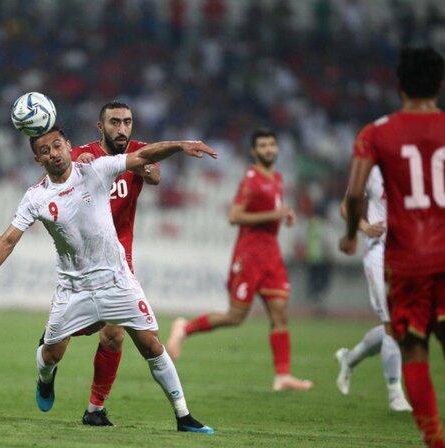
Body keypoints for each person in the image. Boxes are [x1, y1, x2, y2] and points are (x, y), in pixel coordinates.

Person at [0, 126, 216, 434]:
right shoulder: (35, 197)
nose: (53, 154)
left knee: (151, 344)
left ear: (68, 146)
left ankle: (183, 416)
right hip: (73, 289)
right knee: (52, 354)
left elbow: (143, 156)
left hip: (117, 281)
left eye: (56, 146)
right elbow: (8, 239)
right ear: (37, 159)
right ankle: (45, 379)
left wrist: (180, 145)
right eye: (44, 151)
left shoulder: (96, 170)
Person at [339, 47, 445, 447]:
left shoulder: (376, 133)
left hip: (407, 259)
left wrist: (352, 233)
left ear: (399, 86)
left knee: (413, 348)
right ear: (440, 85)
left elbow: (353, 196)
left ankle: (434, 439)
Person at [167, 129, 313, 392]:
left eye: (272, 144)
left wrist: (284, 215)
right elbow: (234, 216)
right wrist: (274, 215)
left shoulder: (277, 178)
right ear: (254, 152)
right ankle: (185, 328)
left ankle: (283, 375)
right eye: (263, 146)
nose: (268, 149)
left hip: (272, 255)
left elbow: (274, 212)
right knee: (235, 317)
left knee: (280, 314)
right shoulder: (251, 180)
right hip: (249, 255)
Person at [69, 101, 160, 426]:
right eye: (115, 122)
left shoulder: (139, 151)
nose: (122, 129)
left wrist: (143, 167)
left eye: (127, 122)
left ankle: (95, 409)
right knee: (73, 332)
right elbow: (57, 175)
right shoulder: (83, 153)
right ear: (101, 126)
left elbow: (155, 175)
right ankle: (60, 332)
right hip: (85, 257)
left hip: (120, 257)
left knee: (115, 335)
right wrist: (77, 165)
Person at [337, 166, 412, 411]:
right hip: (380, 250)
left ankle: (350, 358)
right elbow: (346, 206)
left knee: (405, 325)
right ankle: (395, 393)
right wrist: (364, 227)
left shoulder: (421, 166)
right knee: (392, 322)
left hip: (412, 255)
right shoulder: (373, 168)